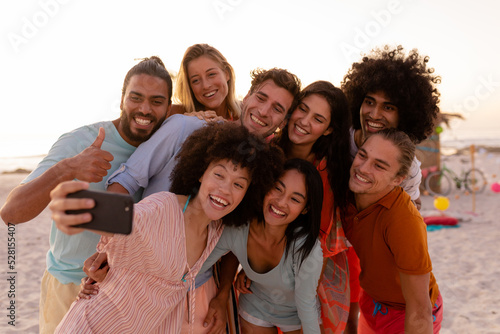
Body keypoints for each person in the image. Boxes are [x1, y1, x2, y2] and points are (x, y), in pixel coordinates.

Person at [79, 67, 301, 332]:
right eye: (261, 98)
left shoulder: (266, 170)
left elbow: (235, 236)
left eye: (277, 108)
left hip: (198, 288)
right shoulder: (187, 127)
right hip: (138, 283)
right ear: (248, 95)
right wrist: (107, 248)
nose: (265, 112)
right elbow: (127, 180)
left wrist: (221, 295)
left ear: (284, 120)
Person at [50, 122, 285, 333]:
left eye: (238, 184)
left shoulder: (216, 231)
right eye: (219, 174)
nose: (225, 189)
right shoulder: (164, 207)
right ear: (201, 173)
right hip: (91, 326)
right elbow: (128, 218)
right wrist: (78, 206)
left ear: (247, 193)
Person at [0, 56, 173, 333]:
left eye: (156, 101)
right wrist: (67, 168)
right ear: (121, 99)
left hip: (128, 295)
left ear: (168, 108)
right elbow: (11, 213)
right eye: (136, 97)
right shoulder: (80, 141)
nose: (144, 108)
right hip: (69, 287)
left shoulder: (165, 147)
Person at [340, 45, 441, 332]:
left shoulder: (407, 170)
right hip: (346, 256)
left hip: (392, 287)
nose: (374, 113)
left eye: (389, 106)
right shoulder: (338, 142)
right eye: (369, 101)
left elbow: (402, 227)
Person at [202, 159, 324, 334]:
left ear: (306, 209)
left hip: (296, 314)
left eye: (295, 199)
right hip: (255, 306)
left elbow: (307, 308)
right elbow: (198, 268)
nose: (281, 202)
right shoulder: (239, 228)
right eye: (277, 188)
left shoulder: (307, 248)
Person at [343, 129, 443, 333]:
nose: (362, 168)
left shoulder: (402, 219)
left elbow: (419, 309)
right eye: (363, 155)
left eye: (379, 166)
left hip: (406, 312)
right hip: (372, 302)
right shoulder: (348, 197)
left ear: (398, 179)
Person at [273, 81, 353, 332]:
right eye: (302, 109)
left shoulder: (327, 170)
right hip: (264, 260)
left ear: (329, 130)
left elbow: (318, 235)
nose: (304, 121)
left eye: (318, 118)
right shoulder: (268, 151)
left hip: (313, 269)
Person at [168, 43, 241, 121]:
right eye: (196, 80)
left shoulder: (246, 115)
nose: (205, 86)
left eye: (211, 74)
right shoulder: (176, 115)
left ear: (227, 74)